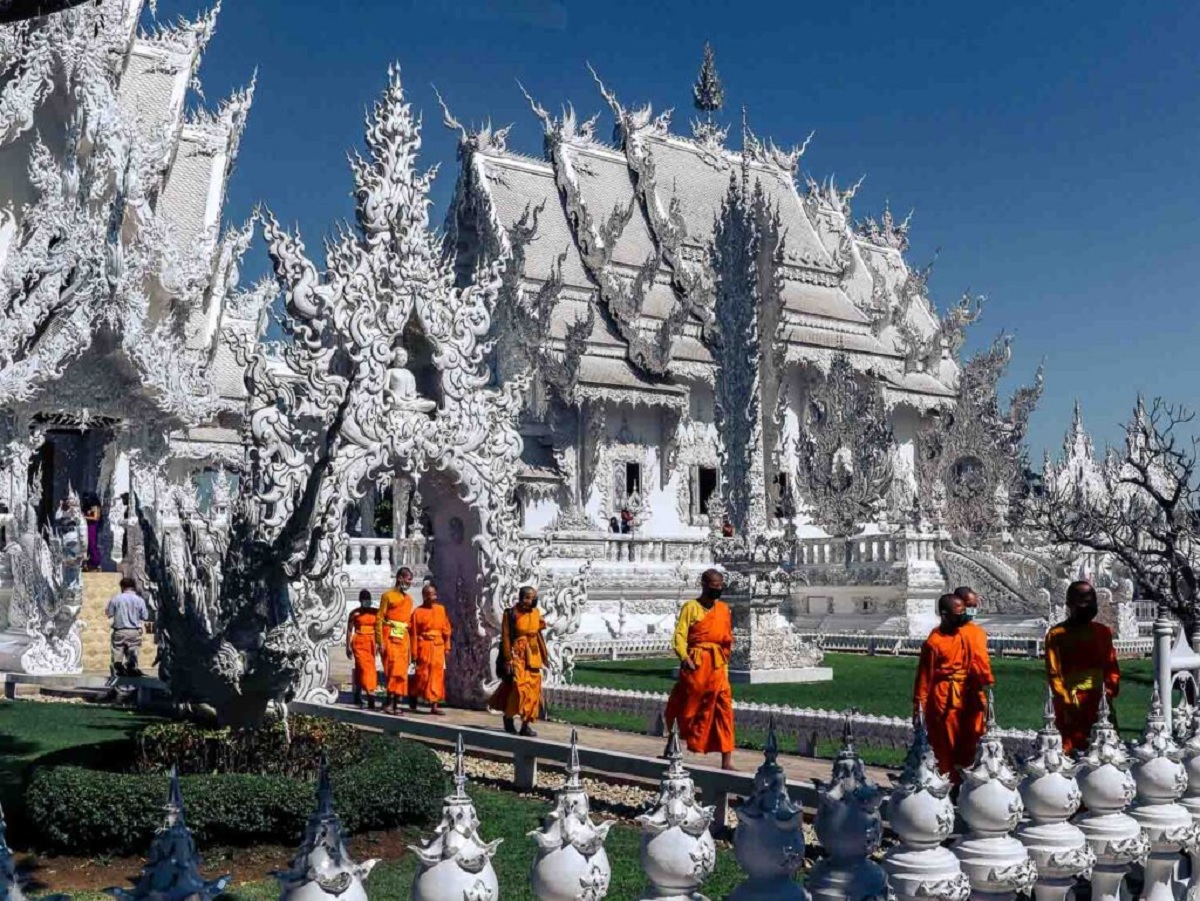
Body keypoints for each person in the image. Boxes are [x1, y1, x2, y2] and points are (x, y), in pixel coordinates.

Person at [913, 592, 995, 783]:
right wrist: (919, 707)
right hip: (943, 697)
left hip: (966, 694)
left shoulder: (965, 635)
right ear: (944, 614)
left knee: (971, 740)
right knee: (945, 743)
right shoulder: (934, 642)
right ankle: (948, 782)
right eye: (958, 613)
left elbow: (976, 663)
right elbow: (924, 678)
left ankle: (968, 780)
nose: (962, 616)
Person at [664, 569, 736, 770]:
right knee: (687, 707)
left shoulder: (723, 609)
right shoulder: (691, 607)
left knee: (724, 710)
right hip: (696, 663)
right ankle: (671, 747)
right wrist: (684, 657)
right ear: (704, 585)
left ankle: (727, 761)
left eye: (720, 586)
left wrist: (723, 662)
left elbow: (727, 639)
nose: (718, 589)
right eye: (714, 586)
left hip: (718, 667)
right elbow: (680, 634)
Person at [1045, 580, 1120, 754]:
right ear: (1069, 605)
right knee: (1070, 753)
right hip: (1071, 702)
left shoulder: (1103, 632)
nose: (1087, 606)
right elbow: (1054, 674)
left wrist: (1109, 691)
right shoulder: (1057, 635)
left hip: (1100, 700)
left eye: (1091, 602)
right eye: (1082, 602)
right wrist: (1067, 701)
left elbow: (1111, 666)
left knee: (1106, 752)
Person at [488, 586, 549, 736]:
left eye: (531, 598)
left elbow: (538, 634)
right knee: (519, 689)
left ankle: (525, 726)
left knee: (533, 692)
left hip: (533, 657)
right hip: (518, 656)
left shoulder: (536, 613)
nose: (528, 600)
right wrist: (508, 659)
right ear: (520, 597)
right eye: (525, 597)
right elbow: (506, 637)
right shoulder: (511, 614)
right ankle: (509, 717)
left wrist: (544, 656)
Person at [953, 585, 991, 758]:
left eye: (975, 605)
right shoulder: (975, 633)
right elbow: (982, 666)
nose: (973, 610)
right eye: (970, 605)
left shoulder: (940, 633)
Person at [375, 567, 416, 715]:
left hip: (403, 639)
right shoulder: (388, 596)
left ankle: (396, 701)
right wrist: (380, 641)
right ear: (399, 578)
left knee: (401, 672)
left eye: (410, 580)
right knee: (392, 670)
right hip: (389, 637)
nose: (409, 582)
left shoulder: (409, 600)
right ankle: (389, 701)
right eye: (407, 579)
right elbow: (379, 618)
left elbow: (409, 623)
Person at [409, 583, 453, 715]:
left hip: (438, 646)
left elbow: (446, 631)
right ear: (424, 596)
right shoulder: (417, 612)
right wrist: (414, 653)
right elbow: (414, 634)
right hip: (424, 646)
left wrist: (447, 647)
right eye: (430, 594)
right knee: (422, 675)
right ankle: (414, 694)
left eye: (434, 594)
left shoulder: (441, 609)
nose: (433, 597)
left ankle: (434, 705)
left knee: (437, 676)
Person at [105, 577, 148, 677]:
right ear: (133, 587)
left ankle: (117, 675)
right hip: (134, 631)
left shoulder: (116, 599)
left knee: (117, 654)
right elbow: (145, 616)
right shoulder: (140, 600)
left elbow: (109, 614)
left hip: (119, 631)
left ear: (122, 586)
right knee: (133, 655)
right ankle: (132, 678)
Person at [345, 589, 379, 710]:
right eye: (364, 600)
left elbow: (379, 628)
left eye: (368, 600)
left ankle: (357, 694)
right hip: (359, 642)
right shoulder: (354, 613)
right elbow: (349, 630)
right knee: (365, 668)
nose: (367, 602)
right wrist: (347, 646)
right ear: (360, 600)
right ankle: (370, 695)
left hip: (371, 643)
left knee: (363, 669)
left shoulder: (376, 612)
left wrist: (379, 643)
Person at [84, 496, 102, 571]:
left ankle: (96, 562)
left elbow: (95, 518)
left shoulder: (95, 507)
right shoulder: (92, 507)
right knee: (89, 544)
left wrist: (84, 517)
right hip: (90, 526)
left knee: (92, 544)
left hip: (93, 526)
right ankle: (91, 562)